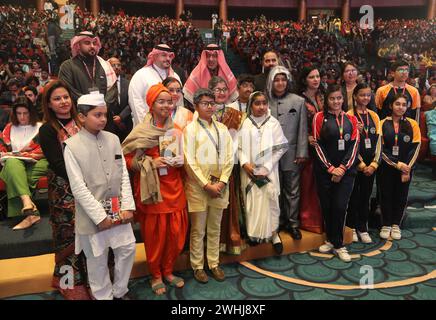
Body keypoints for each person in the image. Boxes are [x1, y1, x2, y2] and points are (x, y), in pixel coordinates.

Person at [63, 93, 136, 300]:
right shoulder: (72, 146)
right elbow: (78, 188)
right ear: (82, 117)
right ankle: (103, 297)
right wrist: (99, 217)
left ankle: (120, 291)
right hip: (92, 217)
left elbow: (123, 175)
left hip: (118, 210)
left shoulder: (113, 139)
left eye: (105, 114)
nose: (103, 119)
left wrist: (128, 206)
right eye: (97, 115)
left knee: (127, 249)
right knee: (97, 260)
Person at [122, 83, 187, 296]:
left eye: (169, 101)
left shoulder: (176, 130)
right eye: (161, 101)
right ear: (151, 104)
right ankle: (156, 274)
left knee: (175, 234)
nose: (167, 105)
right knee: (155, 237)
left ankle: (168, 270)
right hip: (153, 192)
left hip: (175, 188)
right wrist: (150, 162)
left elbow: (187, 159)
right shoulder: (141, 131)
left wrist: (182, 161)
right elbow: (127, 159)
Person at [39, 80, 91, 299]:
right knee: (68, 236)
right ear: (49, 105)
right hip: (64, 191)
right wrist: (82, 179)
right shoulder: (47, 130)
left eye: (66, 97)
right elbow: (58, 163)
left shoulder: (83, 121)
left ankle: (93, 281)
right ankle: (70, 284)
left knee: (91, 236)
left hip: (89, 187)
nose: (63, 102)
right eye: (57, 99)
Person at [183, 88, 233, 283]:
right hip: (198, 188)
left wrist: (222, 181)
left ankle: (213, 263)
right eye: (205, 103)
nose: (210, 106)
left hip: (220, 186)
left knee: (215, 227)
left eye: (212, 103)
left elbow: (230, 157)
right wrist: (206, 185)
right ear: (196, 106)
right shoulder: (190, 129)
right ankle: (197, 266)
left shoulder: (222, 129)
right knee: (198, 229)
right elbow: (189, 160)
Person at [313, 84, 359, 262]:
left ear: (343, 99)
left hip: (346, 173)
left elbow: (354, 146)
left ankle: (339, 245)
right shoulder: (319, 117)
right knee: (327, 207)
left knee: (340, 207)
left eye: (339, 98)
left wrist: (343, 168)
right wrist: (331, 168)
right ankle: (331, 240)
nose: (336, 101)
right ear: (326, 100)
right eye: (332, 98)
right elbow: (317, 144)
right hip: (325, 172)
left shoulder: (351, 120)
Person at [238, 91, 288, 254]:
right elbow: (237, 147)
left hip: (268, 172)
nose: (261, 107)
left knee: (271, 203)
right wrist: (246, 164)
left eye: (264, 103)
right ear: (250, 105)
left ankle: (274, 235)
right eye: (257, 103)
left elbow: (280, 148)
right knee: (252, 203)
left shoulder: (273, 123)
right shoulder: (244, 123)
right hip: (249, 172)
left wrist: (266, 167)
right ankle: (254, 235)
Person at [266, 65, 308, 240]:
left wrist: (301, 152)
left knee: (292, 190)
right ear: (271, 82)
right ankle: (276, 222)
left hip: (292, 154)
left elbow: (302, 129)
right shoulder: (264, 101)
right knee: (273, 190)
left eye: (283, 79)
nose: (280, 83)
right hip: (269, 156)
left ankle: (292, 223)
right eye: (277, 79)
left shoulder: (298, 101)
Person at [208, 76, 246, 254]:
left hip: (228, 167)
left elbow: (238, 141)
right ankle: (211, 245)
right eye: (217, 90)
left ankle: (228, 241)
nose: (221, 93)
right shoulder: (204, 114)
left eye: (224, 89)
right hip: (208, 167)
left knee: (229, 204)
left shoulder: (235, 114)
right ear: (210, 92)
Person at [0, 96, 48, 229]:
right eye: (18, 113)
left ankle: (29, 212)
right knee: (12, 164)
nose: (22, 117)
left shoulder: (41, 127)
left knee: (14, 172)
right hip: (15, 162)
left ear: (31, 113)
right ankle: (28, 205)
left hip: (39, 161)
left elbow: (44, 150)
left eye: (25, 113)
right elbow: (2, 149)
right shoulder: (9, 128)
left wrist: (20, 153)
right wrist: (17, 155)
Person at [379, 93, 421, 240]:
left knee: (401, 195)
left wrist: (407, 167)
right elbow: (380, 149)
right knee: (386, 194)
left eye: (404, 104)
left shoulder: (412, 124)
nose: (400, 107)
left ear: (407, 106)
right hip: (387, 167)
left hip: (406, 168)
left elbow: (416, 147)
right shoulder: (382, 123)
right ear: (391, 105)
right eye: (397, 104)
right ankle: (386, 223)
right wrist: (396, 164)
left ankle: (396, 224)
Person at [346, 83, 382, 243]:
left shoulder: (374, 115)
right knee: (353, 196)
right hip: (355, 164)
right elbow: (349, 143)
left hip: (371, 165)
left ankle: (363, 227)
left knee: (366, 196)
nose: (365, 98)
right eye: (362, 95)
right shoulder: (349, 115)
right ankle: (352, 227)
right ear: (355, 96)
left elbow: (380, 142)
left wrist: (374, 164)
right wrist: (360, 163)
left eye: (368, 95)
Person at [296, 65, 324, 234]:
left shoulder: (323, 97)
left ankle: (322, 219)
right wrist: (306, 137)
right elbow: (295, 124)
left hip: (325, 147)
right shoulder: (299, 99)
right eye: (312, 77)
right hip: (306, 149)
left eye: (318, 76)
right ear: (305, 80)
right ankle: (307, 220)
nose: (316, 80)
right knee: (307, 184)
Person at [58, 31, 117, 105]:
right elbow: (68, 90)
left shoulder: (105, 65)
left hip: (103, 112)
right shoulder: (67, 66)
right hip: (80, 113)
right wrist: (90, 106)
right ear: (78, 46)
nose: (92, 46)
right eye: (87, 43)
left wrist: (103, 105)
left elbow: (112, 90)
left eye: (94, 43)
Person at [128, 44, 181, 126]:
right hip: (148, 129)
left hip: (173, 129)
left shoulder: (175, 76)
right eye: (164, 55)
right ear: (154, 56)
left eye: (170, 56)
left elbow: (179, 103)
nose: (168, 59)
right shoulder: (141, 75)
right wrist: (146, 127)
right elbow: (136, 104)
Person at [107, 57, 133, 141]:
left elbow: (131, 103)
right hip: (109, 124)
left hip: (125, 123)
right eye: (113, 65)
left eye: (119, 65)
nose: (117, 67)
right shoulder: (103, 84)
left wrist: (121, 117)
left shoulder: (128, 83)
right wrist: (114, 119)